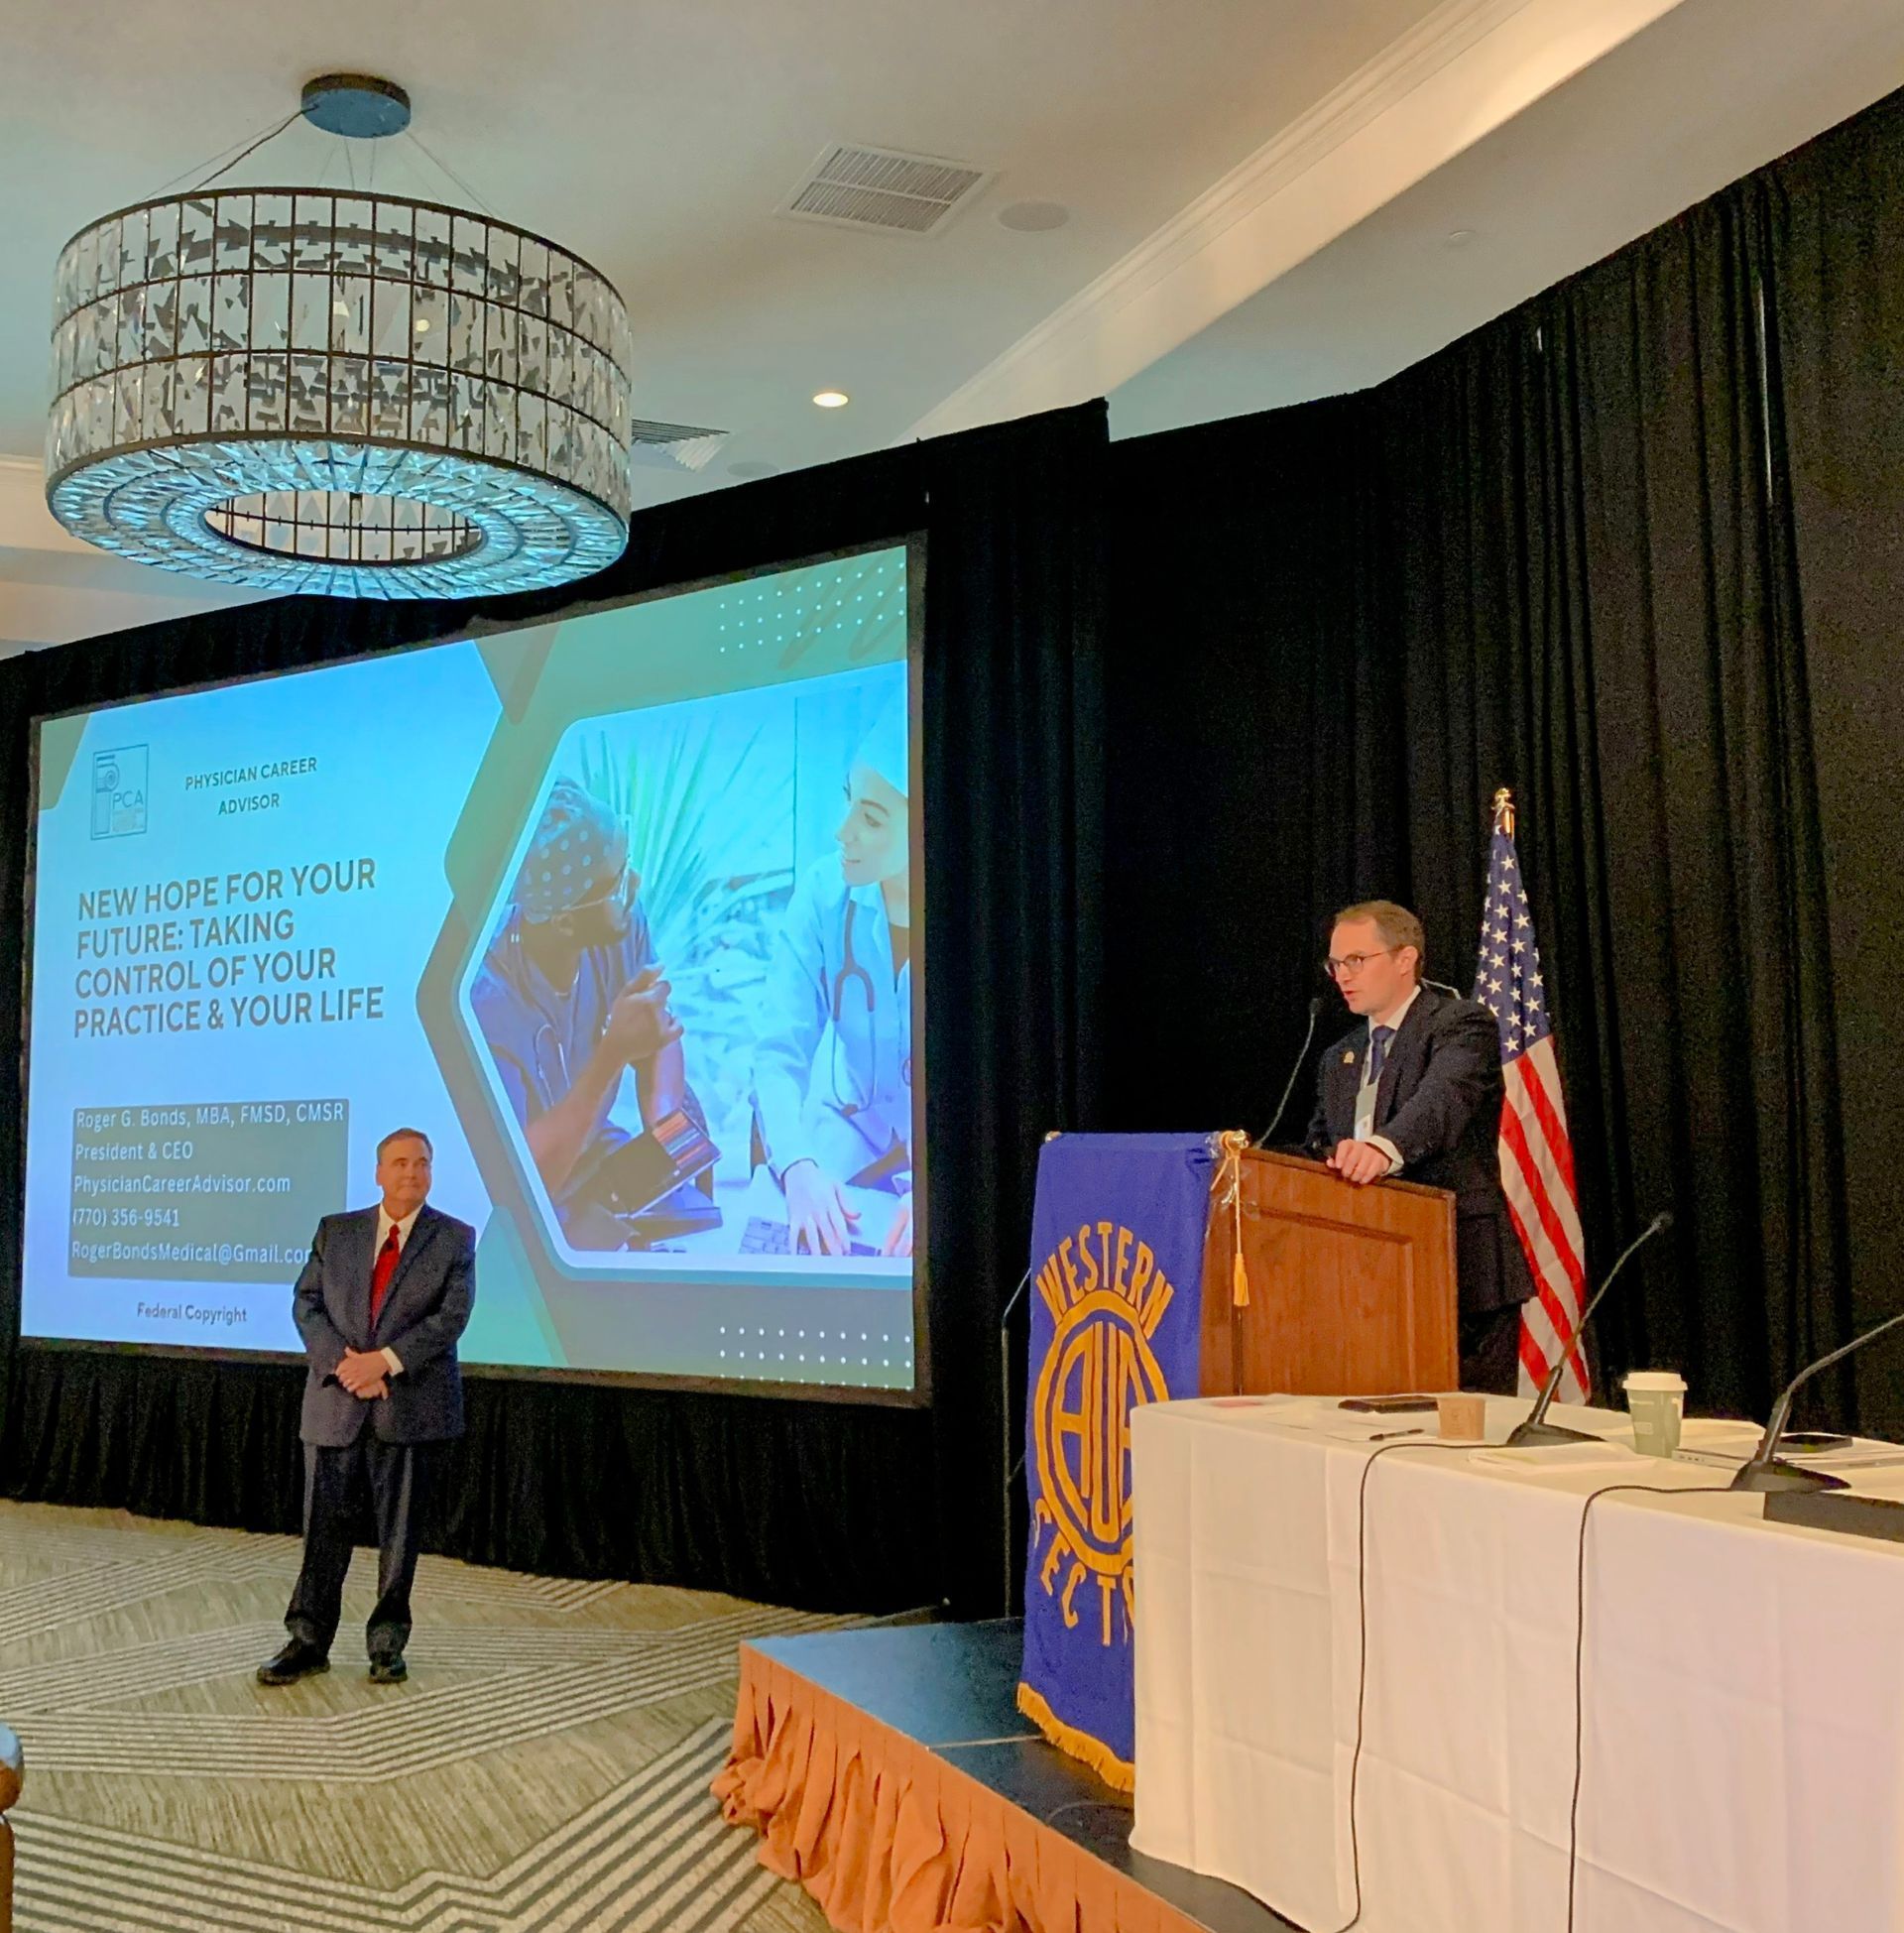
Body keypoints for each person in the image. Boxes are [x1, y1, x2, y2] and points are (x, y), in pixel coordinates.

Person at [258, 1129, 475, 1686]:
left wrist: (385, 1362)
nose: (411, 1173)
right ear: (378, 1173)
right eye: (400, 1163)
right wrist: (346, 1365)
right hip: (335, 1405)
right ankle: (308, 1640)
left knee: (400, 1537)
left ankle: (386, 1646)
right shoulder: (338, 1231)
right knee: (322, 1532)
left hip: (409, 1407)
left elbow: (449, 1320)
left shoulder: (454, 1238)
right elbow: (307, 1304)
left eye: (422, 1164)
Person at [1305, 900, 1535, 1394]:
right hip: (1366, 1281)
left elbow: (1442, 1101)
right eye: (1335, 964)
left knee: (1469, 1440)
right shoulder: (1337, 1057)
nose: (1342, 975)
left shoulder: (1461, 1024)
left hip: (1460, 1270)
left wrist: (1383, 1148)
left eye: (1355, 961)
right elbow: (1319, 1143)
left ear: (1405, 959)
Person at [470, 779, 698, 1248]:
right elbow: (523, 1184)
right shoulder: (487, 1001)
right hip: (526, 1207)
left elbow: (661, 1031)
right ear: (566, 919)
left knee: (695, 1238)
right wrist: (611, 1056)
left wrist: (664, 1128)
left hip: (596, 1158)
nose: (634, 886)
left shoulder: (621, 927)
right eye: (617, 883)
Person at [752, 688, 913, 1257]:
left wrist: (944, 1191)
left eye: (870, 818)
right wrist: (797, 1166)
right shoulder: (824, 895)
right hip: (842, 1142)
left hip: (937, 1160)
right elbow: (777, 1054)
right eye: (849, 801)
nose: (842, 832)